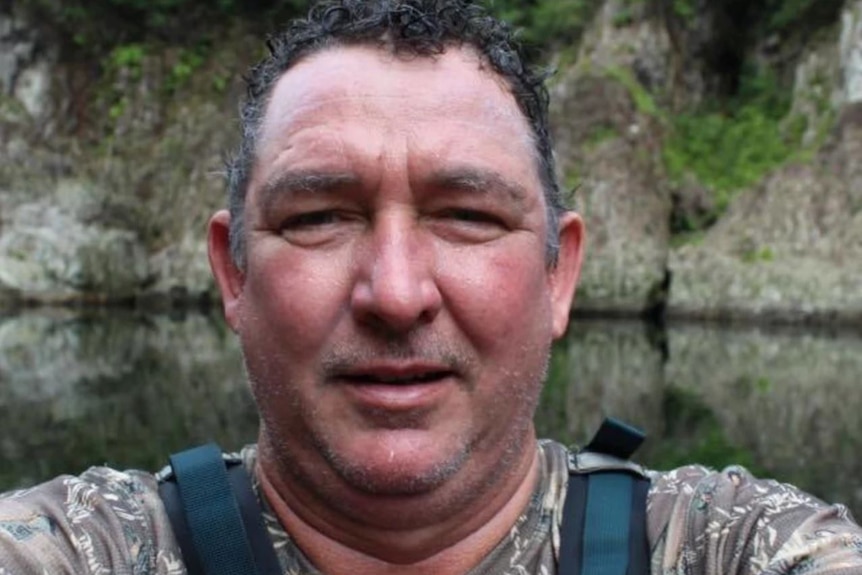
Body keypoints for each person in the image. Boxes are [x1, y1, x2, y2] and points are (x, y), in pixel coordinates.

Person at [2, 1, 862, 574]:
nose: (397, 290)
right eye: (318, 217)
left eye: (466, 216)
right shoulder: (85, 547)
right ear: (234, 273)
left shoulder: (728, 546)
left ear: (559, 273)